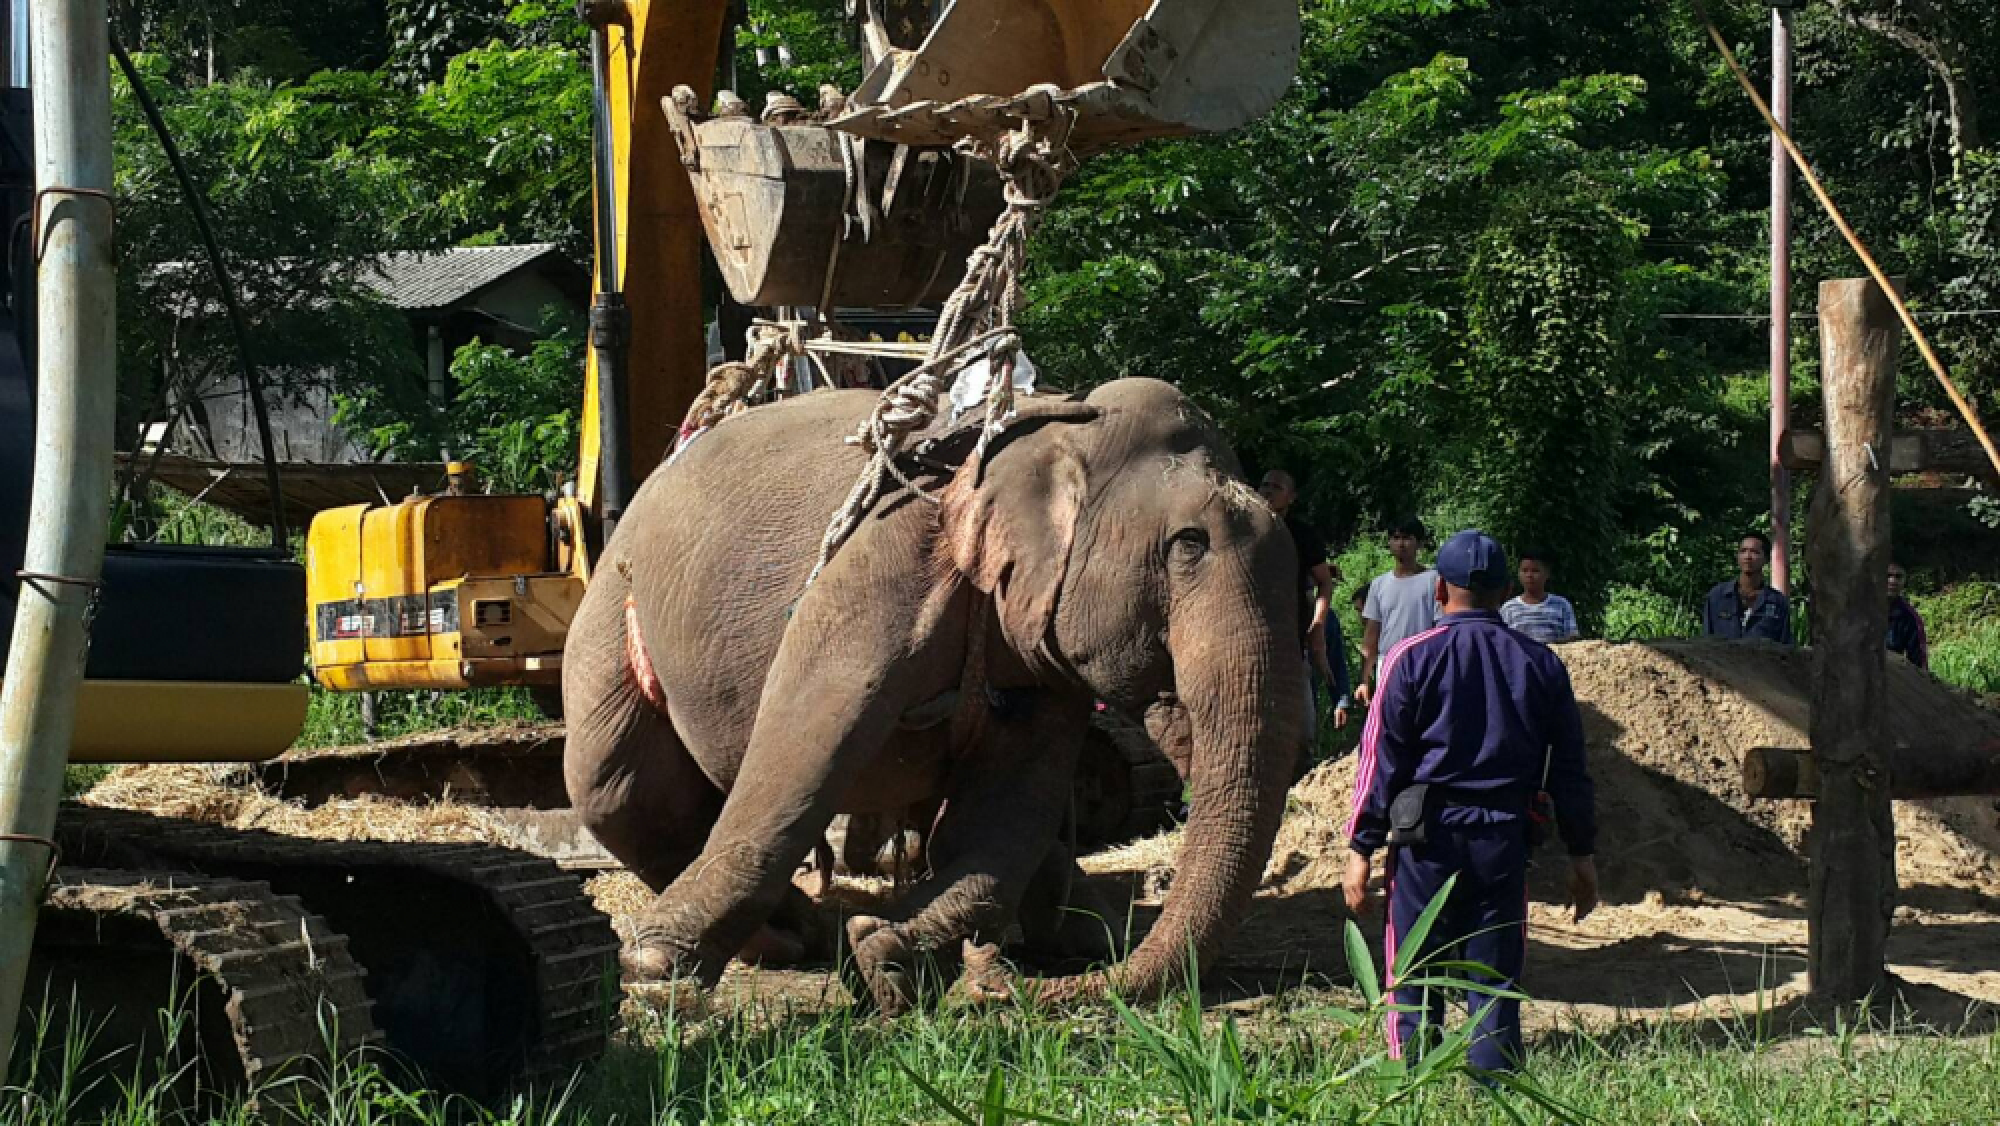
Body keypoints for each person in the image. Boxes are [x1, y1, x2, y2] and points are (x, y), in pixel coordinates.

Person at [1343, 530, 1598, 1075]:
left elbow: (1381, 758)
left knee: (1413, 968)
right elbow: (1570, 771)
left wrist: (1361, 846)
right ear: (1506, 589)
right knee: (1495, 974)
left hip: (1425, 840)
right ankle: (1496, 1082)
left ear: (1439, 591)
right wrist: (1582, 853)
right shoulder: (1541, 664)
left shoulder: (1409, 659)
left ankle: (1411, 1081)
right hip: (1502, 836)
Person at [1256, 470, 1349, 762]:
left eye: (1277, 487)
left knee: (1302, 731)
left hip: (1294, 640)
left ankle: (1300, 784)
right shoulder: (1242, 530)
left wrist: (1318, 626)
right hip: (1252, 639)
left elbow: (1324, 582)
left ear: (1291, 497)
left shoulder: (1302, 535)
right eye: (1264, 485)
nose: (1268, 491)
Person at [1357, 519, 1437, 706]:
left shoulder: (1434, 580)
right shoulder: (1379, 584)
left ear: (1419, 544)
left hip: (1424, 665)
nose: (1401, 544)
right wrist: (1364, 680)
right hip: (1389, 665)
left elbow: (1440, 628)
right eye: (1396, 538)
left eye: (1407, 538)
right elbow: (1371, 634)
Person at [1701, 532, 1794, 645]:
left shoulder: (1777, 602)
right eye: (1743, 551)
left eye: (1754, 552)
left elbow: (1785, 646)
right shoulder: (1717, 596)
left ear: (1766, 559)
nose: (1748, 556)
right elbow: (1706, 639)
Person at [1501, 549, 1579, 644]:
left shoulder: (1561, 604)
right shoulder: (1509, 608)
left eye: (1535, 571)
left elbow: (1572, 637)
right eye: (1524, 571)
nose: (1529, 575)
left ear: (1547, 574)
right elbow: (1503, 641)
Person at [1886, 561, 1929, 670]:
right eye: (1888, 576)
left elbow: (1919, 664)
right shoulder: (1857, 610)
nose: (1893, 581)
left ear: (1904, 581)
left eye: (1898, 577)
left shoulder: (1909, 618)